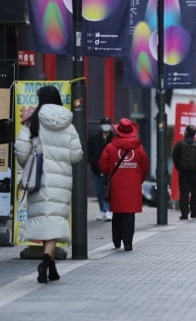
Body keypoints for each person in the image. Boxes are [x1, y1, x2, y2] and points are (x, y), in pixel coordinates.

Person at [14, 85, 83, 284]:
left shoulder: (33, 122)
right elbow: (76, 154)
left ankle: (47, 263)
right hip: (61, 181)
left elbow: (20, 150)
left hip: (39, 179)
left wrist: (28, 162)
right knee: (53, 221)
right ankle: (49, 265)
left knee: (45, 219)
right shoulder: (69, 125)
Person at [99, 118, 149, 251]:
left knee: (117, 213)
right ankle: (128, 242)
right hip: (133, 185)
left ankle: (116, 240)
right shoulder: (139, 148)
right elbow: (145, 167)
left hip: (116, 184)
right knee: (129, 215)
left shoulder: (110, 147)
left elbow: (102, 165)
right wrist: (138, 179)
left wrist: (109, 175)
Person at [172, 125, 196, 220]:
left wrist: (179, 167)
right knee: (195, 192)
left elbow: (175, 157)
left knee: (184, 192)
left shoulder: (179, 144)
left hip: (183, 171)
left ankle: (184, 213)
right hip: (195, 171)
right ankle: (194, 212)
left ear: (186, 132)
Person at [87, 117, 114, 221]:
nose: (106, 126)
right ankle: (102, 209)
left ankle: (107, 210)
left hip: (110, 170)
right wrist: (92, 161)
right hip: (96, 169)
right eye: (104, 124)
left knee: (107, 190)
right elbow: (89, 152)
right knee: (99, 191)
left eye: (108, 124)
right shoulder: (93, 139)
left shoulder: (114, 139)